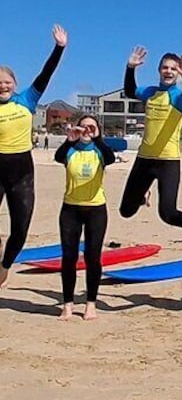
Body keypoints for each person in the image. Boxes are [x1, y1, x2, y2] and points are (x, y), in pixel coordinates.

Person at [0, 24, 67, 288]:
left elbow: (46, 74)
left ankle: (5, 265)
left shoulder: (26, 99)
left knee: (21, 228)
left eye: (6, 81)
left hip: (22, 172)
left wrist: (59, 48)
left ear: (14, 84)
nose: (2, 86)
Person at [119, 47, 182, 247]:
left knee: (167, 213)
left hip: (168, 163)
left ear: (178, 74)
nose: (169, 71)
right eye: (165, 67)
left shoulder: (177, 97)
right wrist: (130, 67)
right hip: (144, 160)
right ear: (159, 70)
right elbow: (130, 90)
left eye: (174, 69)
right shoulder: (150, 93)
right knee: (126, 211)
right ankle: (142, 194)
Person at [54, 115, 115, 320]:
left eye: (92, 127)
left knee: (93, 257)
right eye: (84, 127)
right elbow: (58, 156)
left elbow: (111, 157)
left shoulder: (100, 150)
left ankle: (90, 304)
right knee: (69, 257)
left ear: (97, 129)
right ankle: (68, 305)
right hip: (70, 210)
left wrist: (97, 139)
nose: (87, 130)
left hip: (96, 210)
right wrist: (69, 139)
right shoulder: (70, 150)